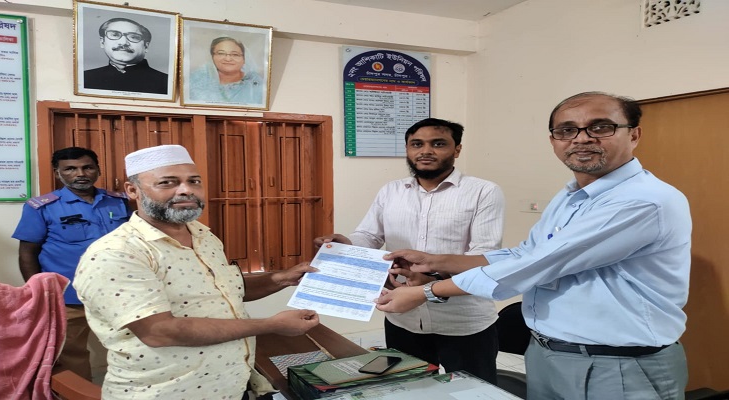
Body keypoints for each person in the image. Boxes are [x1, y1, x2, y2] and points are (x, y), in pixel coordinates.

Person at [376, 92, 691, 400]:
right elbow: (524, 253)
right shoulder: (570, 196)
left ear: (634, 134)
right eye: (567, 130)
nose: (582, 138)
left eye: (600, 127)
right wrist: (434, 261)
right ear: (553, 140)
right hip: (548, 351)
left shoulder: (642, 200)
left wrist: (427, 290)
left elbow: (536, 266)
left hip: (616, 363)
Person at [73, 144, 319, 399]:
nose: (186, 190)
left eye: (194, 181)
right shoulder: (117, 252)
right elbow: (159, 331)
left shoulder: (204, 236)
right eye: (167, 182)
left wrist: (280, 279)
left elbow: (224, 290)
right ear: (132, 190)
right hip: (166, 393)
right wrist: (271, 325)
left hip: (232, 386)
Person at [314, 118, 505, 383]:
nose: (426, 151)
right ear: (407, 149)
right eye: (417, 144)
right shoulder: (391, 191)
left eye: (438, 144)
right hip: (402, 319)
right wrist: (345, 243)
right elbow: (370, 235)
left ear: (457, 149)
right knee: (408, 388)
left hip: (463, 321)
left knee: (473, 391)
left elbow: (483, 256)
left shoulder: (483, 191)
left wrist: (432, 281)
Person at [11, 146, 131, 380]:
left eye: (87, 167)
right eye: (70, 169)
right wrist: (38, 292)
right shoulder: (42, 207)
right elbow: (27, 253)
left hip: (119, 292)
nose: (80, 174)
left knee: (132, 345)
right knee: (69, 354)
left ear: (98, 170)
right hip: (69, 296)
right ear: (58, 173)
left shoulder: (119, 202)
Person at [83, 17, 168, 94]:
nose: (123, 42)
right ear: (102, 42)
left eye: (133, 37)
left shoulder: (166, 82)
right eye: (115, 35)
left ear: (146, 46)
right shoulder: (85, 78)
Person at [188, 36, 265, 105]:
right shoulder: (195, 82)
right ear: (212, 57)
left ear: (244, 58)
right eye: (221, 53)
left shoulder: (257, 85)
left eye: (235, 54)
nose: (228, 59)